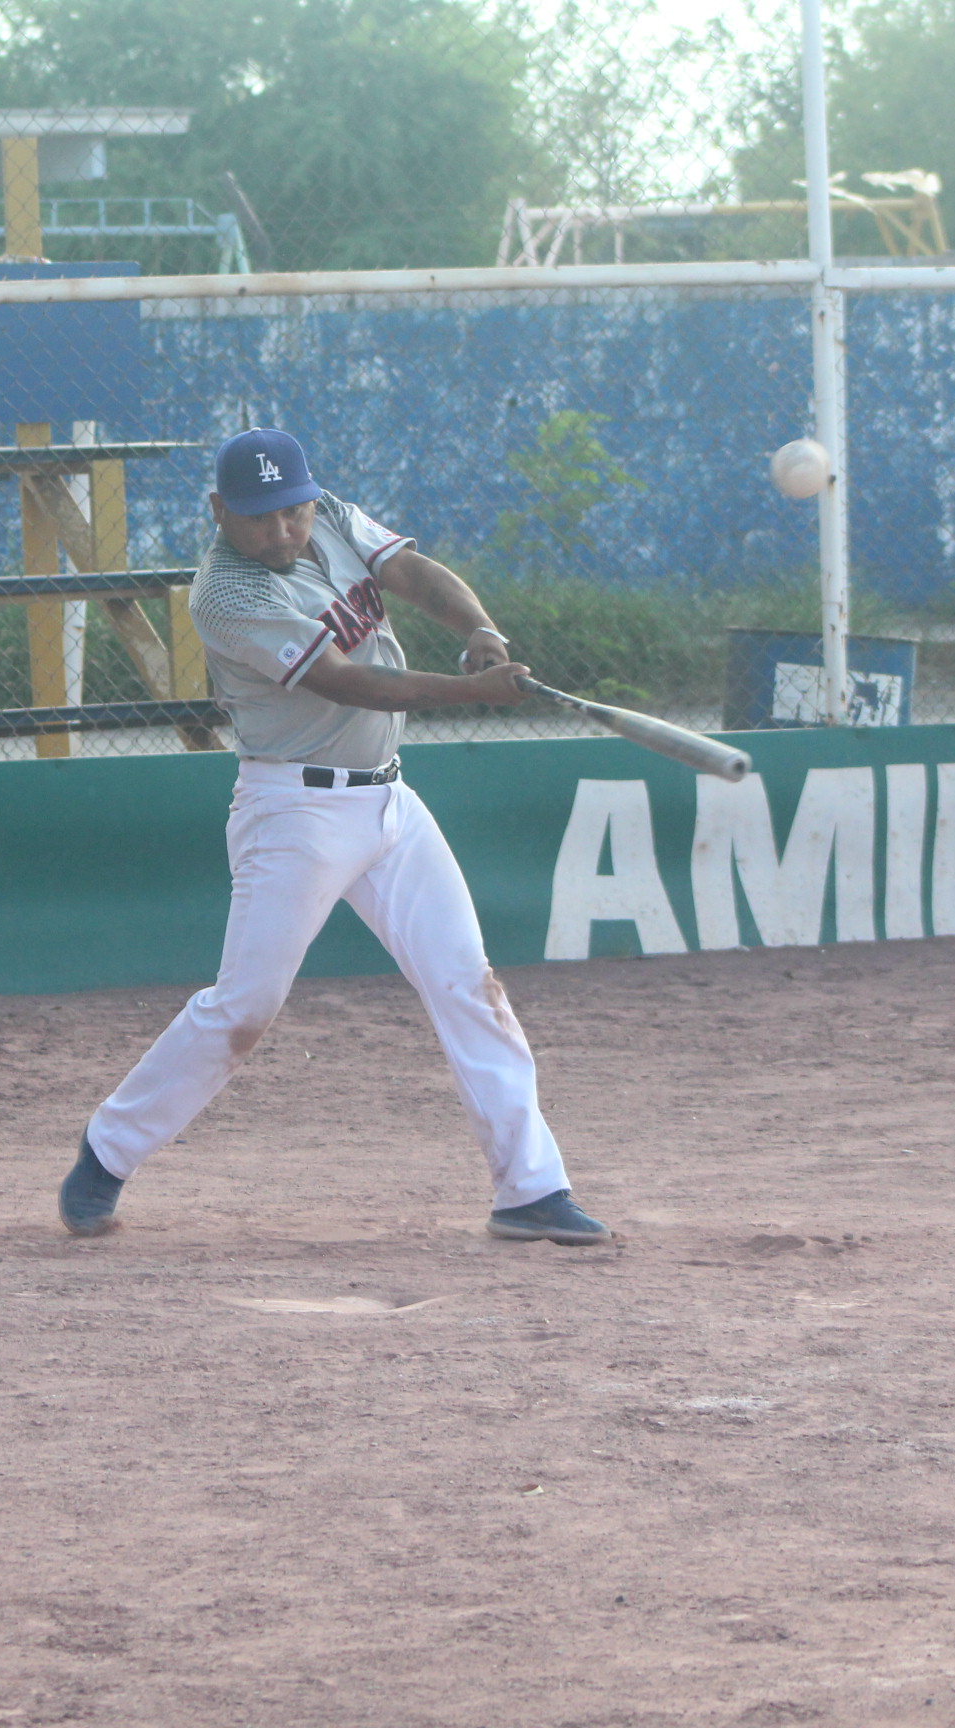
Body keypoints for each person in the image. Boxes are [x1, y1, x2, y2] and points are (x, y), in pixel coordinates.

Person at [56, 429, 613, 1247]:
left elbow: (413, 574)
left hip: (390, 804)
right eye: (258, 518)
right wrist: (472, 692)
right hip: (295, 812)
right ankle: (107, 1151)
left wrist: (480, 628)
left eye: (292, 510)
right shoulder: (225, 595)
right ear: (219, 512)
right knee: (245, 1008)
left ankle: (530, 1188)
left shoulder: (330, 518)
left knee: (470, 984)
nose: (281, 531)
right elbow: (345, 682)